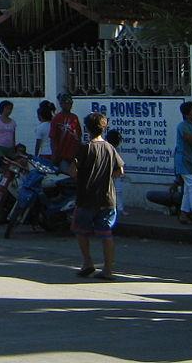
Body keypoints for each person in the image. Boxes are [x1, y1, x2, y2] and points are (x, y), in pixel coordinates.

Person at [72, 111, 124, 281]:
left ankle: (87, 262)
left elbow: (74, 171)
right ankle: (108, 269)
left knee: (80, 230)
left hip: (87, 197)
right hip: (107, 198)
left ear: (87, 129)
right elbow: (120, 171)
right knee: (106, 233)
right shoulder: (110, 147)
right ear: (104, 127)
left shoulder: (85, 148)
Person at [50, 93, 82, 175]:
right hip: (62, 156)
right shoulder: (56, 119)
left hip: (74, 155)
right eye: (66, 103)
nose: (69, 105)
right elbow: (53, 138)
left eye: (70, 103)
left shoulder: (74, 118)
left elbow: (79, 136)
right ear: (61, 104)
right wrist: (54, 155)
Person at [105, 129, 126, 216]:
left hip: (115, 173)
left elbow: (119, 164)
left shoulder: (116, 149)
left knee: (119, 190)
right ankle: (109, 209)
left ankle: (120, 209)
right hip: (106, 174)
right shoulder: (105, 148)